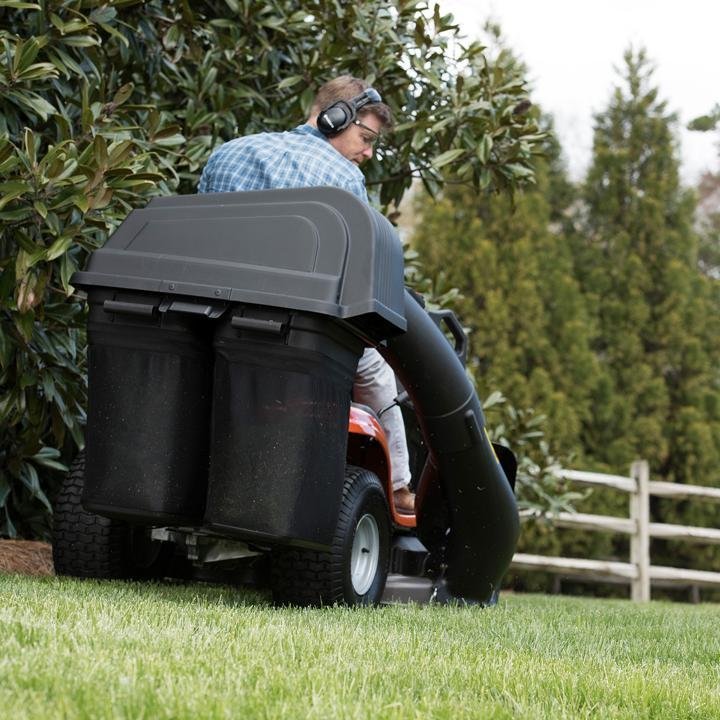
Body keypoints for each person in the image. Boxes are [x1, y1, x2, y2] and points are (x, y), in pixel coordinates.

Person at [198, 76, 415, 514]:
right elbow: (352, 269)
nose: (369, 153)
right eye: (366, 138)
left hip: (211, 317)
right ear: (334, 118)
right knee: (376, 371)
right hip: (302, 330)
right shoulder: (344, 179)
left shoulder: (229, 152)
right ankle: (400, 490)